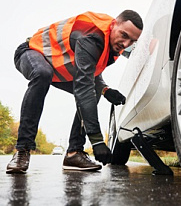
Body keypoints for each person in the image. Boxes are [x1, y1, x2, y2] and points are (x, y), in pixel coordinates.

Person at [6, 10, 143, 174]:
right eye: (124, 35)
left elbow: (91, 74)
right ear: (113, 24)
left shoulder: (113, 44)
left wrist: (105, 90)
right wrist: (97, 140)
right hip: (30, 52)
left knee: (93, 90)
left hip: (58, 70)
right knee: (43, 74)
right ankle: (22, 150)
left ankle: (74, 153)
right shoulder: (90, 35)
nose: (126, 44)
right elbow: (83, 87)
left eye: (132, 41)